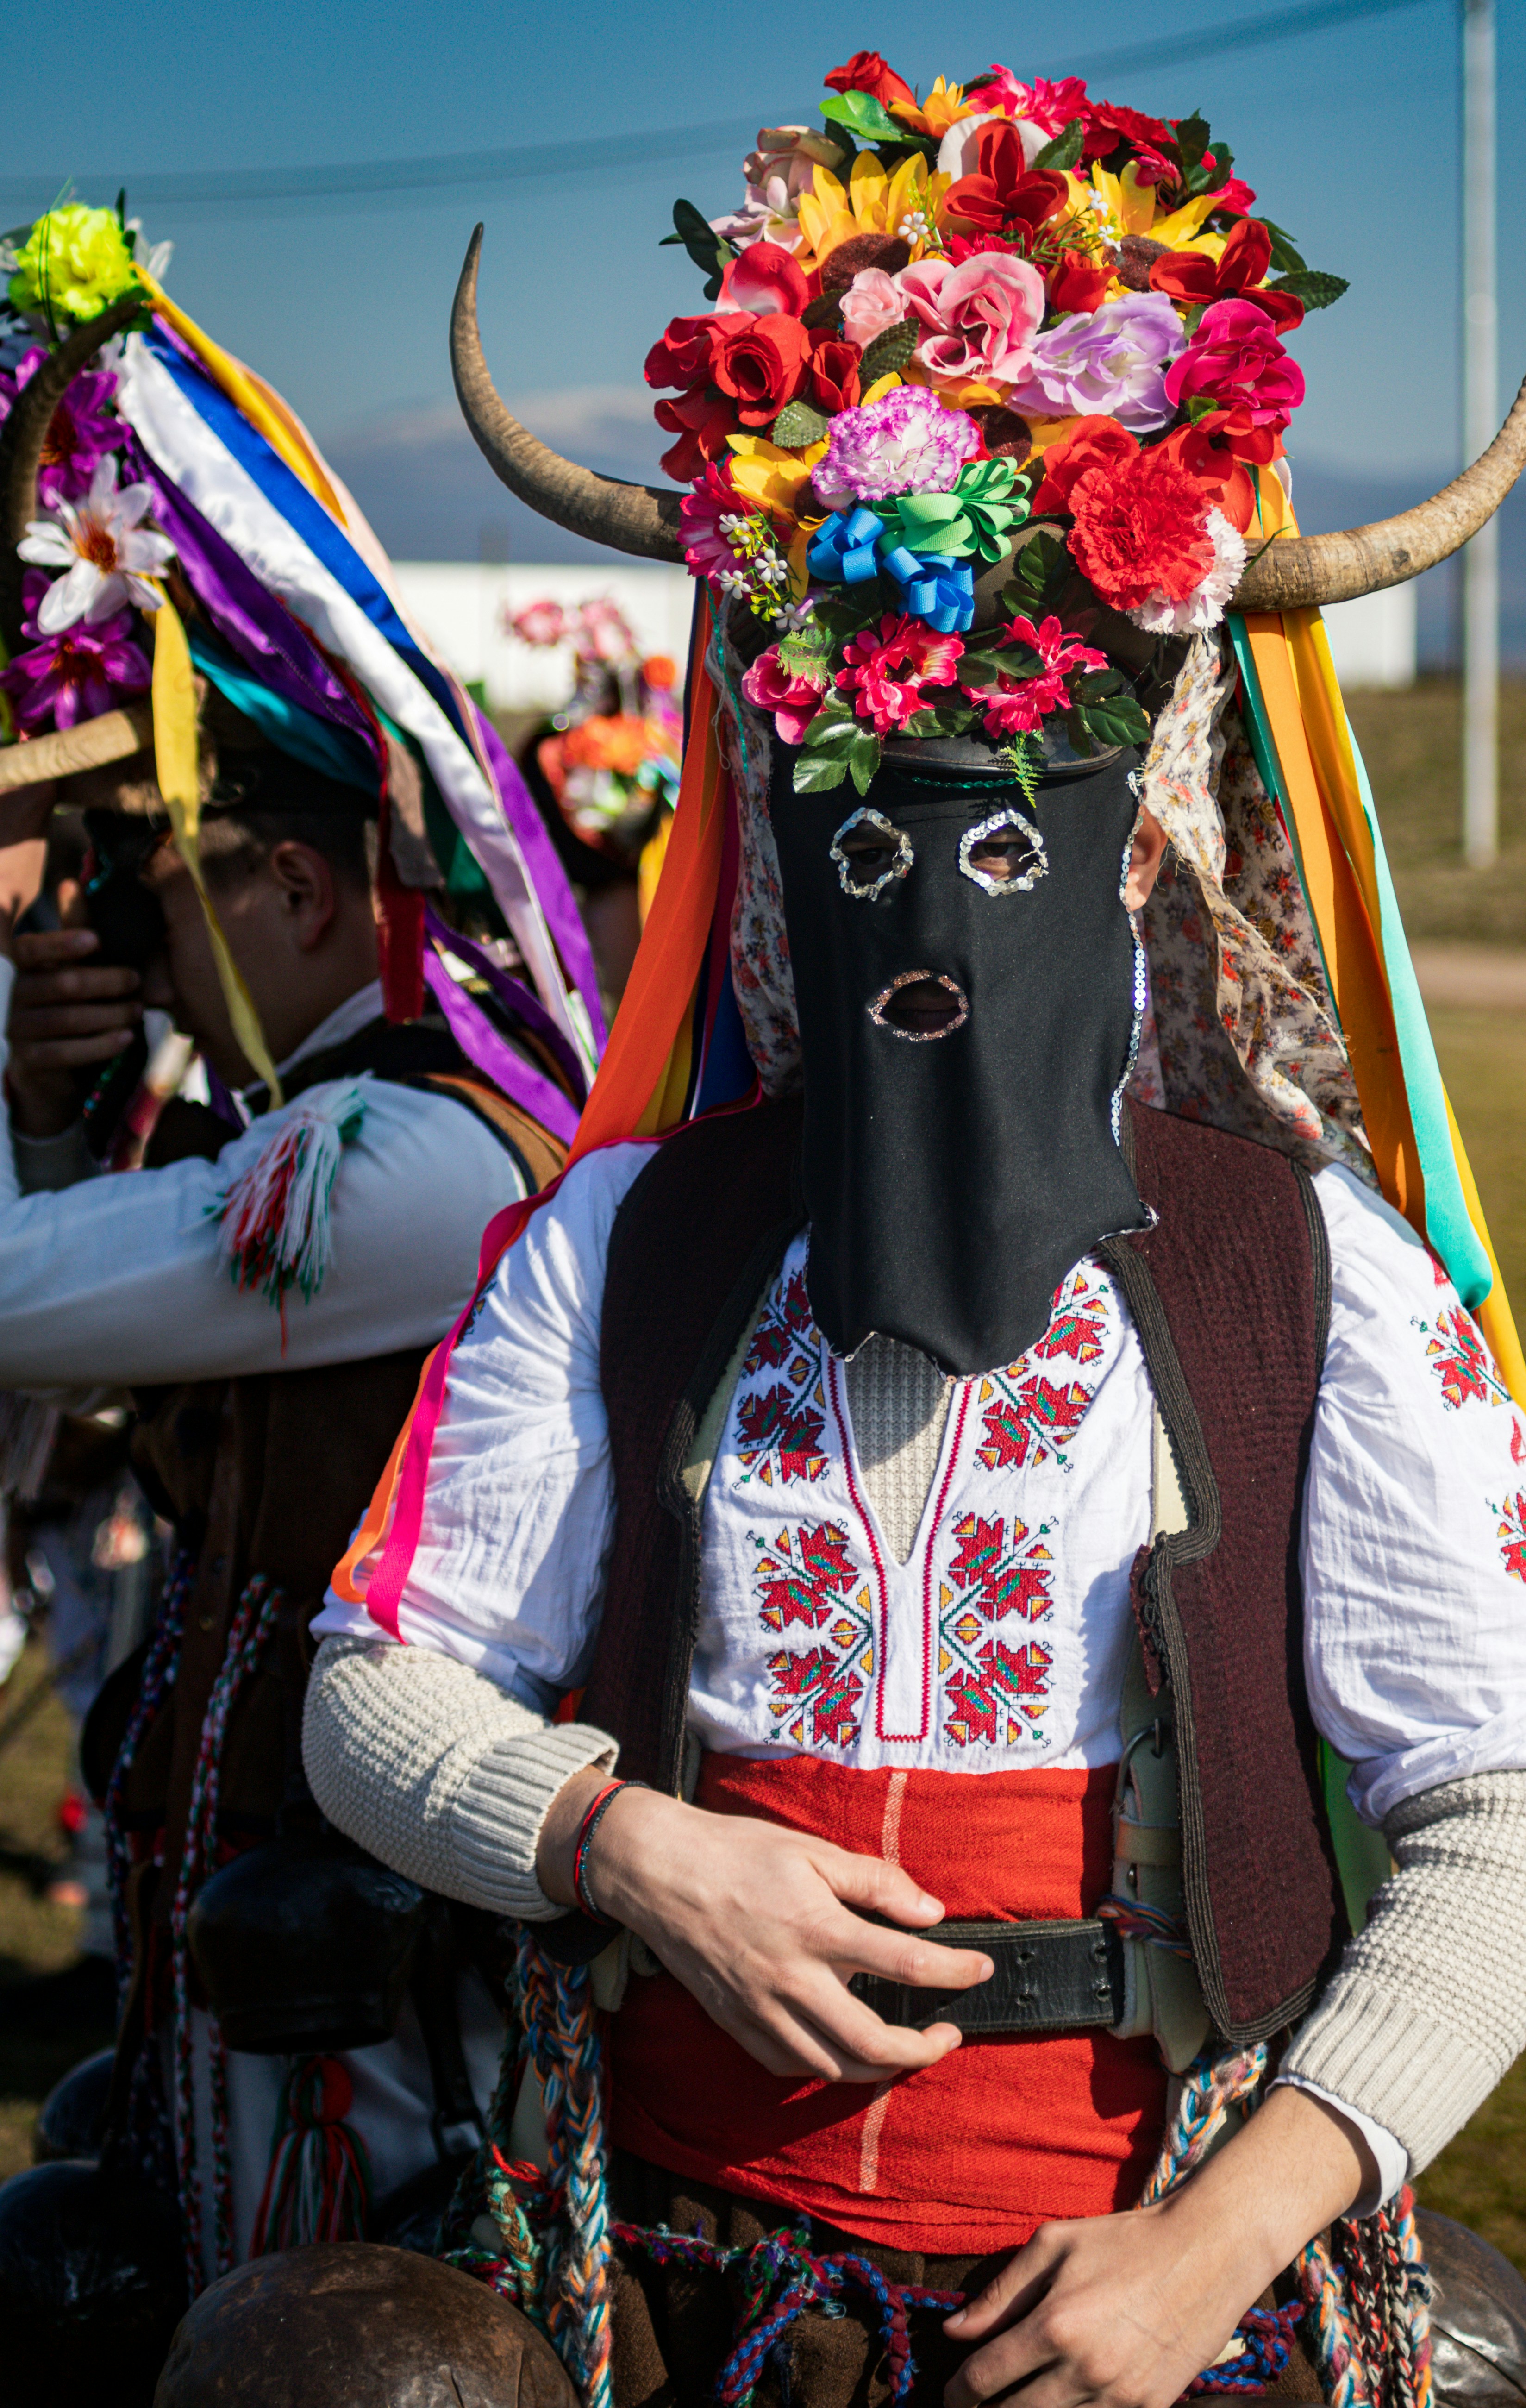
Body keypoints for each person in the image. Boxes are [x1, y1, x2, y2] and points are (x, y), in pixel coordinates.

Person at [304, 51, 1526, 2408]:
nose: (923, 918)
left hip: (1122, 2272)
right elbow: (370, 1686)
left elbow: (1516, 1808)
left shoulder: (1308, 1272)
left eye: (1006, 843)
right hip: (668, 2247)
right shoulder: (631, 1239)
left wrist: (1213, 2244)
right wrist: (621, 1846)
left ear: (1138, 842)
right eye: (860, 832)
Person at [0, 196, 598, 2326]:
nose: (121, 939)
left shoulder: (401, 1155)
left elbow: (19, 1299)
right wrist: (55, 1102)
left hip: (366, 1891)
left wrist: (39, 1109)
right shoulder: (326, 1122)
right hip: (259, 1830)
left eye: (155, 886)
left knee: (340, 2307)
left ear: (310, 892)